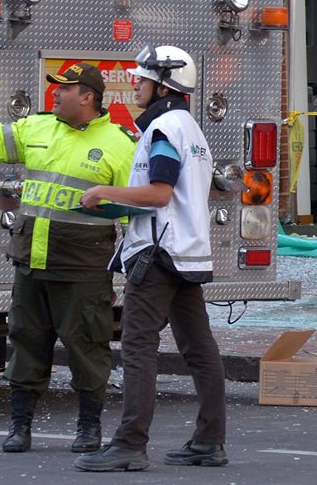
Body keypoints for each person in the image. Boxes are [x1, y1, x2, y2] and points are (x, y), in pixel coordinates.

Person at [0, 63, 136, 454]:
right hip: (31, 263)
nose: (54, 95)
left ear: (87, 97)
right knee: (26, 343)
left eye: (64, 89)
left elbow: (135, 209)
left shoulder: (121, 143)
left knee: (87, 348)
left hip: (82, 269)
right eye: (54, 89)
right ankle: (20, 427)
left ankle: (88, 429)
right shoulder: (37, 127)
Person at [75, 45, 226, 472]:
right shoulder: (190, 129)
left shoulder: (164, 129)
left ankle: (128, 445)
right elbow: (177, 196)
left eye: (141, 79)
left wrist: (105, 193)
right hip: (185, 253)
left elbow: (160, 193)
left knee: (139, 347)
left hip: (157, 256)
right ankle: (209, 442)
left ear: (164, 85)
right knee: (200, 350)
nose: (134, 85)